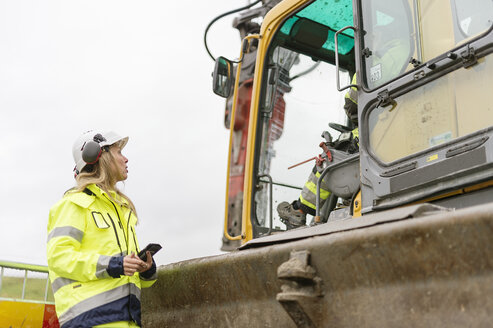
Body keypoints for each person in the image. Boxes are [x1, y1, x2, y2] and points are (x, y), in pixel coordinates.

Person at [47, 130, 157, 327]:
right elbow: (60, 258)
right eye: (119, 152)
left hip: (127, 321)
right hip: (90, 321)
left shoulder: (122, 211)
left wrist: (145, 270)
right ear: (98, 155)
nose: (126, 159)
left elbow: (125, 271)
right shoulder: (73, 205)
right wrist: (114, 265)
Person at [277, 74, 359, 229]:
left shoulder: (374, 57)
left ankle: (299, 210)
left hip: (368, 143)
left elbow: (352, 104)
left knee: (327, 160)